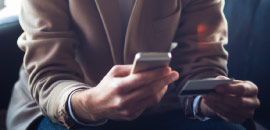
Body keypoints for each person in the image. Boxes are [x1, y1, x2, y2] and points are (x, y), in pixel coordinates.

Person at [6, 0, 260, 130]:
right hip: (65, 104)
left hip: (163, 104)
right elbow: (50, 74)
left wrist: (210, 98)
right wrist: (91, 103)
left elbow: (202, 58)